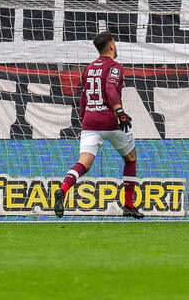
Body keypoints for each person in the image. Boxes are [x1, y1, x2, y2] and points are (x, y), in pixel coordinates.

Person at [53, 31, 142, 219]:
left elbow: (83, 98)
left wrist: (84, 123)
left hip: (90, 122)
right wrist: (120, 113)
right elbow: (110, 88)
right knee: (131, 158)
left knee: (83, 163)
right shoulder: (115, 67)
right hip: (110, 121)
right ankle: (128, 205)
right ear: (111, 46)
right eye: (115, 43)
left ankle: (63, 188)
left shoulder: (89, 68)